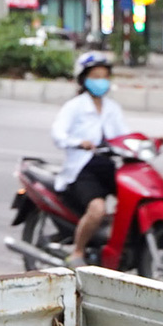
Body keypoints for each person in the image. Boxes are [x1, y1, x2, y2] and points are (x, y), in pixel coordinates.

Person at [51, 50, 127, 256]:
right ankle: (77, 251)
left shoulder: (113, 108)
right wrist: (78, 142)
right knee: (98, 210)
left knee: (134, 200)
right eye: (95, 77)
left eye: (104, 77)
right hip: (83, 170)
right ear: (84, 79)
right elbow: (58, 134)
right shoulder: (74, 107)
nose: (101, 81)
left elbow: (124, 137)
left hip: (108, 167)